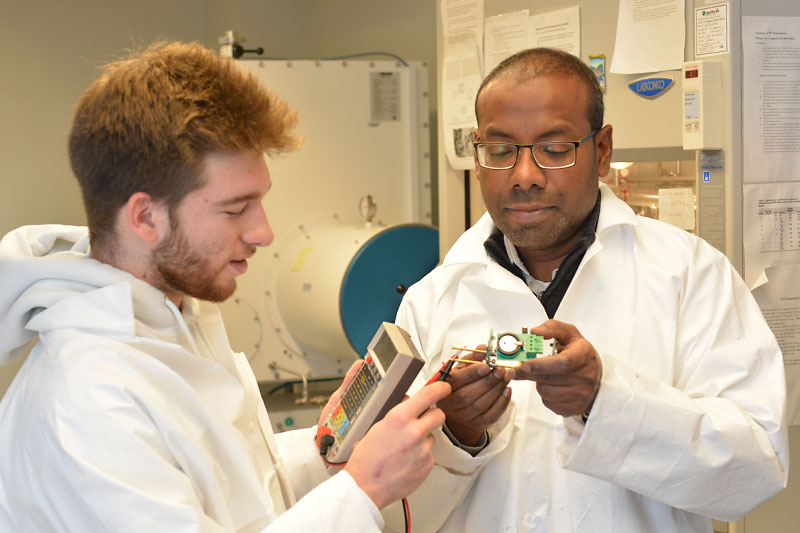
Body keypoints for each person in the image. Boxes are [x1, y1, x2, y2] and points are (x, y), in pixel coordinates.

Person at [0, 41, 450, 532]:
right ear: (146, 217)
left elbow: (235, 494)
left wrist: (329, 453)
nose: (264, 233)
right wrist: (363, 490)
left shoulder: (176, 320)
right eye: (236, 209)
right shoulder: (88, 400)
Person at [391, 48, 788, 532]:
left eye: (554, 149)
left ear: (601, 151)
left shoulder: (689, 275)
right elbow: (390, 507)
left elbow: (755, 470)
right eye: (500, 151)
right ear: (478, 155)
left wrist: (606, 400)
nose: (524, 177)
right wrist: (458, 434)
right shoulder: (434, 298)